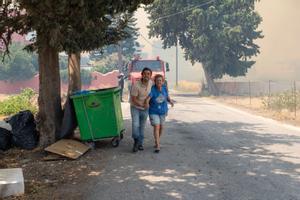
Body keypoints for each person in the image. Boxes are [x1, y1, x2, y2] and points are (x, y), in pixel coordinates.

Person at [146, 74, 174, 153]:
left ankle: (156, 140)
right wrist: (147, 103)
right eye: (157, 80)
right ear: (155, 82)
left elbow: (167, 97)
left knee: (162, 127)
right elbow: (148, 98)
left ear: (162, 82)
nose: (159, 82)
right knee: (157, 127)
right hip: (153, 111)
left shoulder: (164, 88)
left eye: (160, 81)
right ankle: (158, 145)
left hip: (163, 111)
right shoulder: (152, 89)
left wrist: (170, 101)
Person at [130, 67, 152, 153]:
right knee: (136, 125)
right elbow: (134, 99)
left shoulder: (151, 83)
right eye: (145, 73)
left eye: (148, 74)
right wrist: (143, 104)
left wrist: (148, 101)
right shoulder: (136, 85)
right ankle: (136, 141)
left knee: (142, 127)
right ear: (142, 75)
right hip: (135, 107)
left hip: (145, 109)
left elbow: (152, 93)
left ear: (150, 76)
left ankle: (140, 144)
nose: (146, 75)